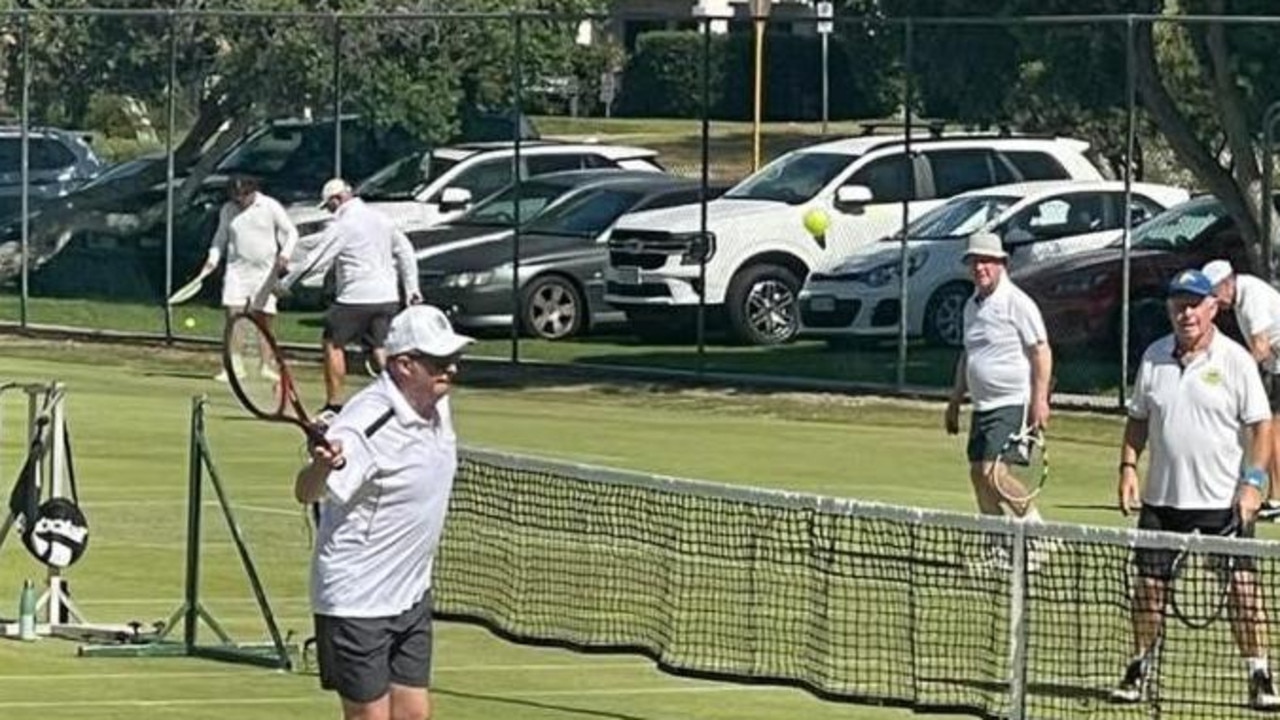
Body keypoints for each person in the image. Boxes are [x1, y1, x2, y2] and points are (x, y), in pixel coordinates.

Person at [295, 303, 474, 720]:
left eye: (453, 360)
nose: (450, 370)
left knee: (413, 715)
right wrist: (322, 465)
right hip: (357, 599)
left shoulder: (436, 402)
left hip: (410, 594)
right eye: (438, 362)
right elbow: (306, 493)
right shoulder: (366, 423)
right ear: (404, 365)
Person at [1112, 268, 1277, 709]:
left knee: (1243, 591)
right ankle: (1138, 666)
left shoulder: (1237, 360)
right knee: (1148, 592)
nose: (1186, 313)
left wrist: (1254, 485)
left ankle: (1259, 672)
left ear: (1212, 309)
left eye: (1194, 304)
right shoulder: (1153, 357)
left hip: (1223, 504)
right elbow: (1139, 419)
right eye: (1177, 305)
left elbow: (1261, 428)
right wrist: (1128, 466)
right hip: (1163, 502)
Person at [276, 178, 422, 415]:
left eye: (330, 205)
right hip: (387, 297)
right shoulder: (382, 219)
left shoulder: (345, 224)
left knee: (333, 344)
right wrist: (412, 289)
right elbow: (405, 252)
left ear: (337, 199)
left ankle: (334, 404)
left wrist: (285, 283)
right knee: (380, 347)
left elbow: (317, 258)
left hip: (355, 297)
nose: (331, 211)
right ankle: (403, 400)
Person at [944, 232, 1054, 525]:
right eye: (974, 262)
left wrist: (1040, 400)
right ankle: (999, 547)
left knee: (993, 472)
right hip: (983, 407)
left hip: (1013, 402)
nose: (979, 268)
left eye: (986, 262)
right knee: (978, 476)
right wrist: (955, 401)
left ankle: (1039, 533)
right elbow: (968, 356)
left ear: (1000, 264)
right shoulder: (971, 306)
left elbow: (1041, 352)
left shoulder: (1017, 302)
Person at [201, 175, 299, 382]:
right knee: (234, 318)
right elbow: (220, 238)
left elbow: (291, 232)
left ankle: (266, 365)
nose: (239, 200)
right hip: (237, 271)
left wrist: (285, 254)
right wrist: (212, 259)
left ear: (253, 191)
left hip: (265, 273)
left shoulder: (270, 206)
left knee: (264, 320)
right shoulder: (228, 209)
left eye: (243, 195)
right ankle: (234, 368)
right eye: (235, 196)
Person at [1204, 259, 1280, 511]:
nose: (1215, 301)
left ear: (1228, 283)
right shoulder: (1239, 298)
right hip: (1276, 368)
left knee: (1270, 430)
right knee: (1267, 429)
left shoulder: (1251, 297)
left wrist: (1234, 376)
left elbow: (1260, 347)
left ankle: (1277, 498)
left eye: (1215, 294)